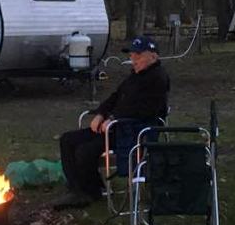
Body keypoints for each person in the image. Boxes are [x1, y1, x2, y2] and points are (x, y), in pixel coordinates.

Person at [52, 36, 170, 210]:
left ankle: (88, 192)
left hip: (131, 133)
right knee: (68, 140)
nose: (134, 60)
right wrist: (101, 113)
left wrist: (114, 118)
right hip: (115, 128)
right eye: (132, 56)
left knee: (85, 151)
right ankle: (79, 189)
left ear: (153, 56)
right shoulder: (134, 76)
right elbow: (115, 96)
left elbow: (146, 110)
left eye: (138, 56)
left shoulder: (158, 79)